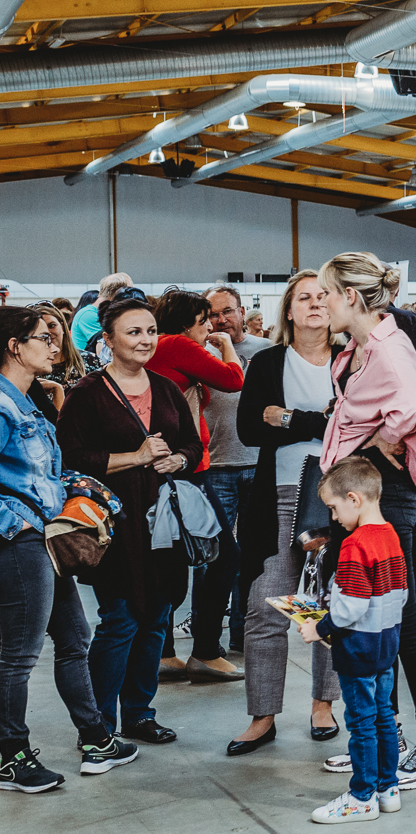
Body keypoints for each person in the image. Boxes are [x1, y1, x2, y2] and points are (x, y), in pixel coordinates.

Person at [318, 252, 416, 790]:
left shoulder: (389, 346)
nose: (321, 303)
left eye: (327, 293)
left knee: (400, 621)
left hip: (384, 494)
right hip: (359, 494)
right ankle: (385, 738)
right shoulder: (359, 346)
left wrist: (380, 440)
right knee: (372, 621)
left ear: (350, 296)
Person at [0, 307, 139, 792]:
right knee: (18, 655)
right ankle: (11, 757)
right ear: (14, 346)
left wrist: (73, 487)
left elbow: (36, 474)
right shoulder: (1, 406)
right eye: (43, 336)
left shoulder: (26, 401)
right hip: (17, 542)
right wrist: (16, 521)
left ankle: (96, 738)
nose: (54, 344)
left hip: (43, 537)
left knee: (75, 638)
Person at [58, 298, 203, 744]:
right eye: (133, 332)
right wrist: (134, 458)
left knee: (158, 616)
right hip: (112, 527)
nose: (145, 340)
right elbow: (71, 460)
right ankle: (98, 726)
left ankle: (138, 714)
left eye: (150, 331)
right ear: (108, 340)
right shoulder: (87, 394)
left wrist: (177, 459)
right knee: (120, 619)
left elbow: (192, 446)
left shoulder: (165, 388)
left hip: (163, 525)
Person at [229, 271, 341, 756]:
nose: (315, 304)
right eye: (304, 298)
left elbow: (357, 422)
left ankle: (324, 704)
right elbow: (251, 429)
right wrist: (321, 419)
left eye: (323, 296)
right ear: (288, 311)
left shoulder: (352, 358)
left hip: (339, 499)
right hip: (279, 496)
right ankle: (262, 715)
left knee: (332, 603)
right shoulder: (268, 361)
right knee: (265, 604)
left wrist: (289, 417)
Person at [144, 290, 248, 682]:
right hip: (188, 469)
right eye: (205, 320)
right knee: (225, 554)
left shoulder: (162, 350)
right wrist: (225, 345)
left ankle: (165, 652)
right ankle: (204, 649)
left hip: (180, 465)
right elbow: (233, 379)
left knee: (170, 558)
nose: (211, 327)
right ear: (188, 321)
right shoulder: (178, 346)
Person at [302, 457, 406, 824]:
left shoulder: (354, 545)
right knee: (384, 717)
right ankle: (387, 788)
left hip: (358, 649)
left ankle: (362, 796)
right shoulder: (391, 536)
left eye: (333, 508)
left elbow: (350, 607)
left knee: (361, 722)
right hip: (386, 644)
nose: (333, 518)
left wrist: (320, 627)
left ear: (353, 499)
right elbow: (401, 595)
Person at [201, 286, 272, 653]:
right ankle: (206, 643)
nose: (220, 320)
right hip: (215, 467)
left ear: (243, 312)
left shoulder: (265, 351)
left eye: (227, 311)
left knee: (252, 555)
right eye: (213, 314)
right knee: (214, 557)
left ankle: (243, 635)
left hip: (259, 464)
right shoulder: (199, 354)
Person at [70, 272, 132, 351]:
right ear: (118, 293)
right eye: (129, 293)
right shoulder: (89, 315)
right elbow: (109, 345)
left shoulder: (97, 313)